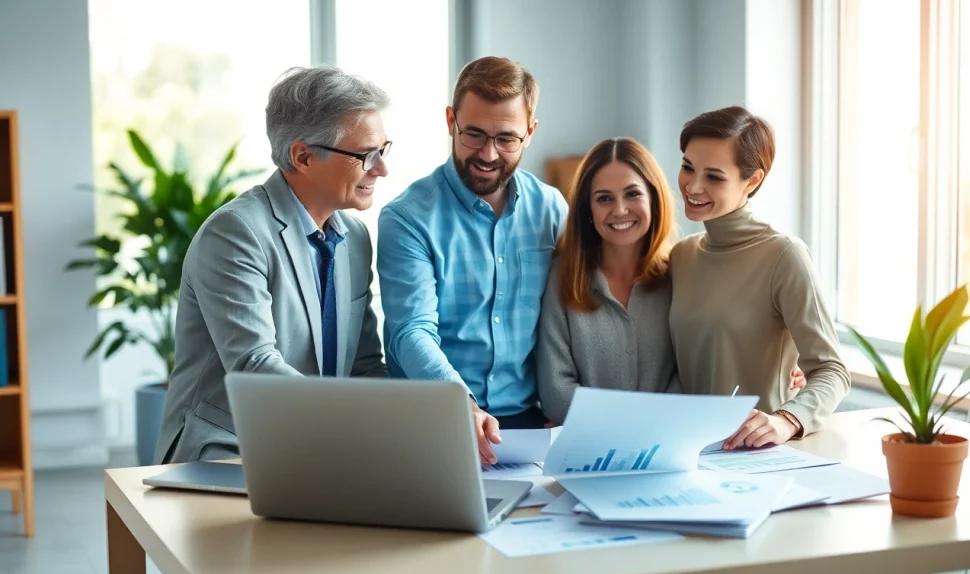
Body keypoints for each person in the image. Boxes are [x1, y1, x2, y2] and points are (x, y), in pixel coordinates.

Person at [154, 66, 392, 464]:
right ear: (302, 156)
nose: (382, 168)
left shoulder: (354, 236)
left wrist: (414, 421)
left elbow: (365, 364)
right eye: (366, 155)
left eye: (384, 150)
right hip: (228, 450)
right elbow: (255, 366)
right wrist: (353, 423)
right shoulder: (235, 232)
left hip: (314, 447)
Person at [376, 56, 568, 463]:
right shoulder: (407, 218)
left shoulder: (551, 209)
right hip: (436, 417)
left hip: (529, 423)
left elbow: (573, 315)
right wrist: (458, 400)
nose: (488, 154)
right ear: (451, 121)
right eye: (474, 134)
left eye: (506, 138)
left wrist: (568, 403)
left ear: (530, 133)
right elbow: (411, 331)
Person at [668, 105, 850, 450]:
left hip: (757, 456)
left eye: (714, 176)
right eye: (687, 167)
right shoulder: (682, 256)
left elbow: (832, 370)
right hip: (688, 450)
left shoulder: (784, 255)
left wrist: (787, 419)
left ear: (752, 180)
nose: (692, 185)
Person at [536, 138, 679, 424]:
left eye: (632, 194)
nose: (620, 210)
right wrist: (634, 422)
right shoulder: (562, 276)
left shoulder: (678, 274)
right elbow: (557, 394)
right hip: (587, 455)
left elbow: (688, 375)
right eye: (604, 198)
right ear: (587, 209)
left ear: (653, 197)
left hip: (667, 446)